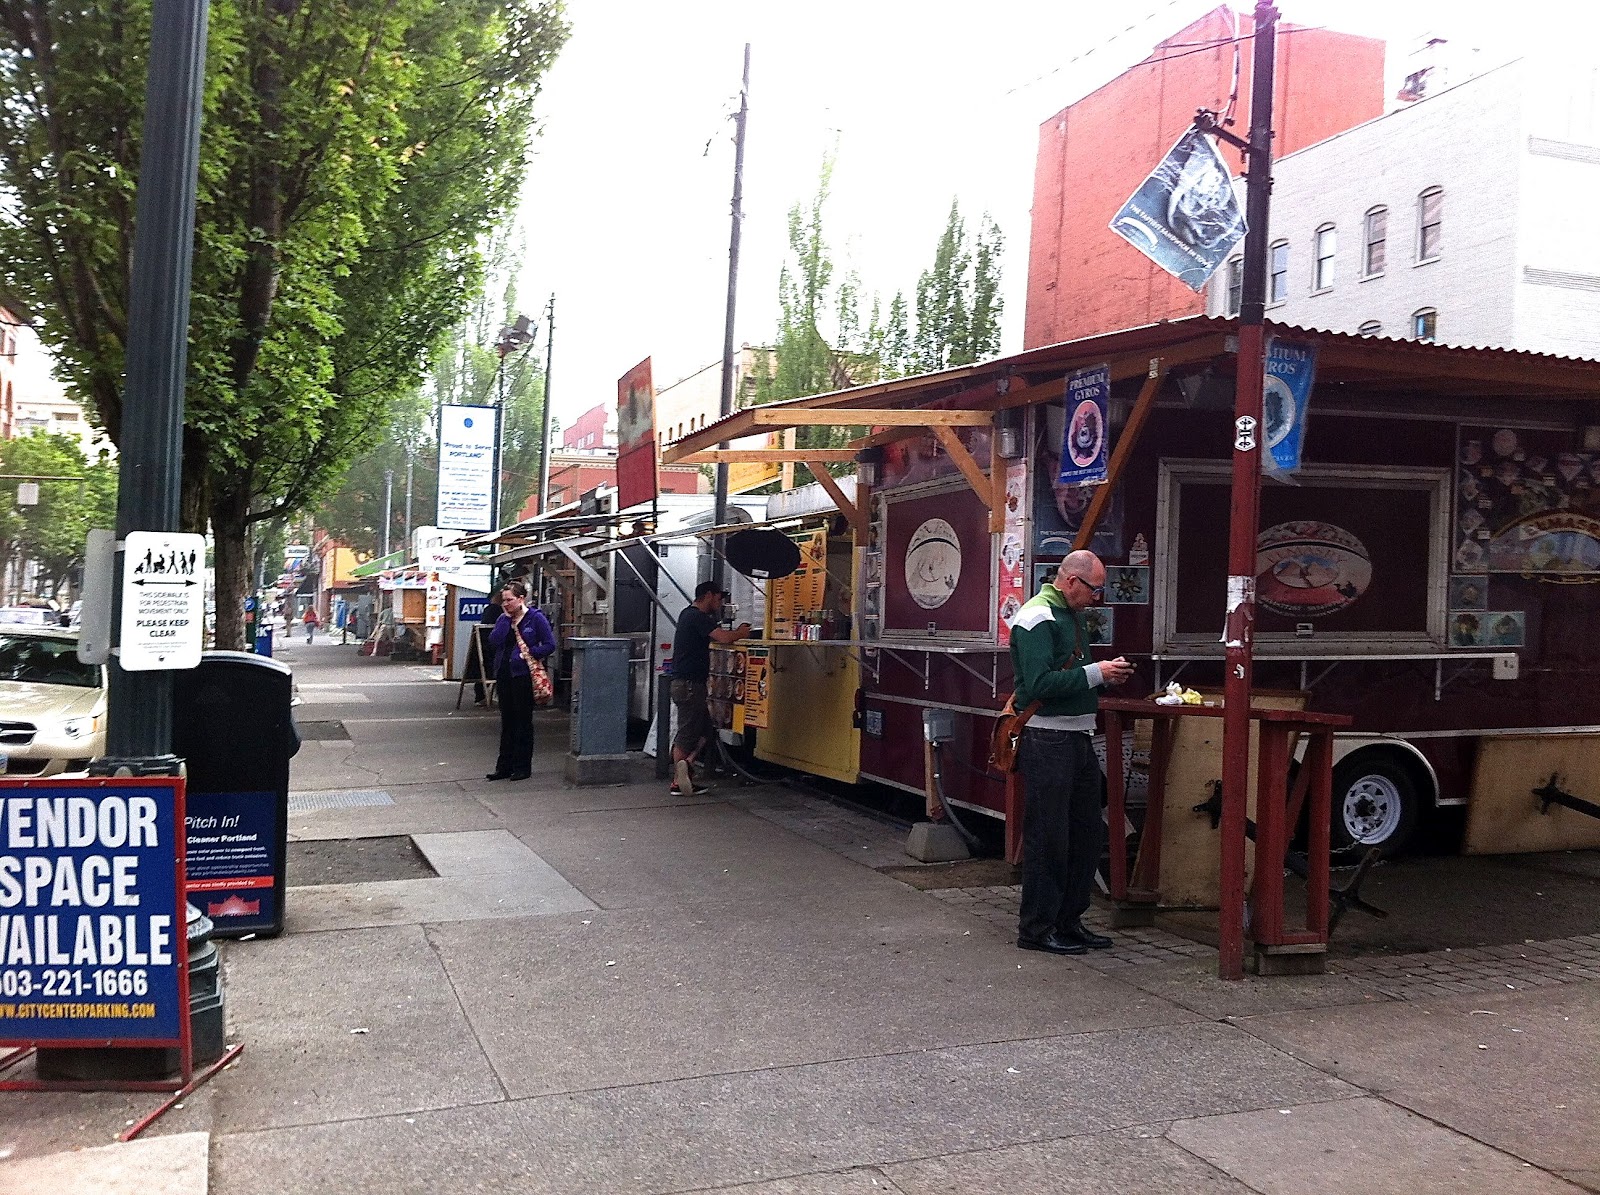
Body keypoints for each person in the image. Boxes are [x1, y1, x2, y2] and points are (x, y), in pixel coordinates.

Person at [1008, 549, 1134, 956]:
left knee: (1085, 833)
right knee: (1049, 836)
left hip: (1077, 735)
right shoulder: (1036, 617)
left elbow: (1072, 675)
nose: (1098, 598)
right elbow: (1038, 684)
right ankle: (1036, 929)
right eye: (1095, 589)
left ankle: (1068, 921)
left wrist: (1102, 676)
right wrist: (1097, 673)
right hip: (1048, 738)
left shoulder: (1071, 614)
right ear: (1071, 581)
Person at [669, 581, 751, 796]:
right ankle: (678, 782)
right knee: (687, 733)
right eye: (718, 598)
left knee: (706, 728)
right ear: (708, 595)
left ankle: (687, 764)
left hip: (687, 684)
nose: (720, 602)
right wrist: (741, 632)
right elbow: (723, 637)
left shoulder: (688, 615)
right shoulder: (697, 616)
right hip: (689, 685)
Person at [485, 580, 556, 781]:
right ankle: (503, 767)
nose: (506, 604)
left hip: (524, 675)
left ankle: (522, 767)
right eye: (503, 600)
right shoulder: (503, 618)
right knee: (507, 721)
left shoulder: (535, 618)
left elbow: (550, 644)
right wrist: (506, 620)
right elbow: (494, 641)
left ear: (521, 599)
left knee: (523, 721)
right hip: (504, 674)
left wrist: (532, 653)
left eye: (509, 600)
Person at [466, 592, 504, 706]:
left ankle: (481, 696)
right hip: (493, 647)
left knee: (484, 670)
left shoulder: (489, 610)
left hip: (484, 646)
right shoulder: (497, 612)